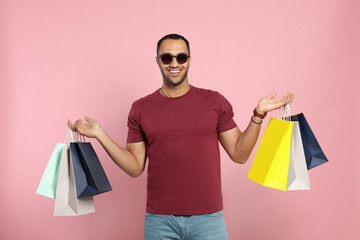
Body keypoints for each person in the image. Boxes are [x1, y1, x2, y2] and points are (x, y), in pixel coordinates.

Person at [68, 33, 294, 240]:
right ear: (157, 61)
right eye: (167, 58)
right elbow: (135, 167)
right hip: (159, 222)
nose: (174, 63)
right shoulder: (140, 108)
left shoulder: (214, 102)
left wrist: (258, 115)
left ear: (189, 60)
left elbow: (239, 154)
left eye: (180, 57)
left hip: (208, 220)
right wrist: (100, 134)